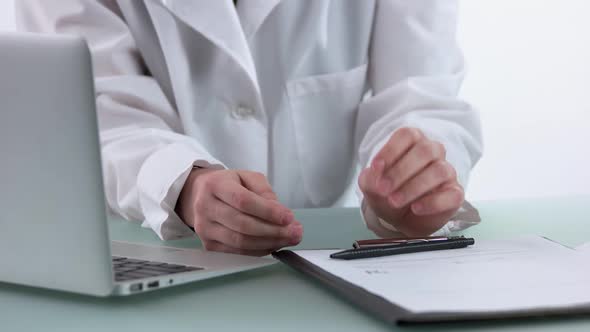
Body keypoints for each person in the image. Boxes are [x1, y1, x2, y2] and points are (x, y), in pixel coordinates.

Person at [17, 0, 482, 256]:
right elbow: (95, 115)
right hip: (149, 253)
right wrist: (184, 183)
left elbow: (423, 95)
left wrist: (419, 182)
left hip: (330, 266)